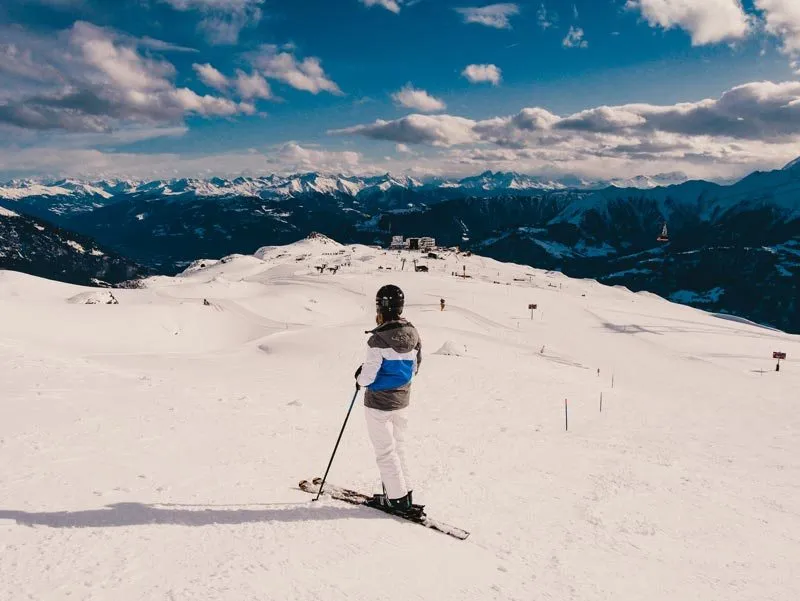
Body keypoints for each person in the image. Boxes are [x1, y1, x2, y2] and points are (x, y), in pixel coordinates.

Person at [354, 284, 422, 514]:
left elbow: (368, 377)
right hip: (402, 401)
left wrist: (359, 378)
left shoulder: (378, 340)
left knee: (385, 451)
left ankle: (396, 500)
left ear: (380, 308)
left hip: (378, 405)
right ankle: (404, 493)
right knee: (398, 447)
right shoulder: (413, 333)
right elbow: (415, 368)